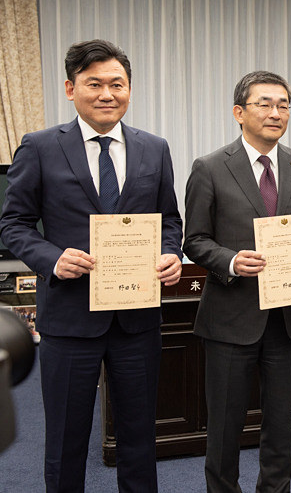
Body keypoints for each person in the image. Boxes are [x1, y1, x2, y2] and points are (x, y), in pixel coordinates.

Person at [0, 39, 183, 492]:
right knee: (65, 440)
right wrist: (52, 258)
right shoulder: (39, 147)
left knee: (140, 437)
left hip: (136, 319)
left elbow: (170, 222)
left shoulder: (153, 148)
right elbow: (14, 224)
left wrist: (170, 254)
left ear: (129, 89)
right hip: (69, 319)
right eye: (94, 83)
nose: (107, 94)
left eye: (116, 84)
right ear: (70, 88)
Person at [183, 71, 291, 493]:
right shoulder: (210, 167)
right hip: (231, 318)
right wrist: (230, 261)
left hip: (288, 318)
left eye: (284, 105)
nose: (276, 112)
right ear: (239, 112)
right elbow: (194, 240)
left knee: (282, 425)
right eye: (264, 103)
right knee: (226, 427)